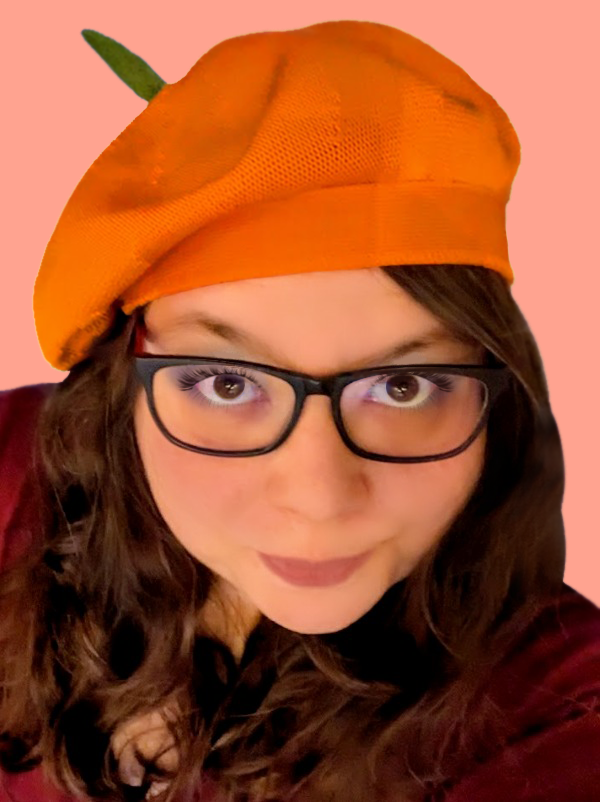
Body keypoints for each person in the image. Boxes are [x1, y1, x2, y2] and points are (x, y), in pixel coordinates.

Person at [0, 18, 599, 802]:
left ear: (498, 405)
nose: (318, 499)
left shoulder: (560, 713)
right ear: (123, 391)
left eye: (403, 386)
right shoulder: (13, 464)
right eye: (225, 383)